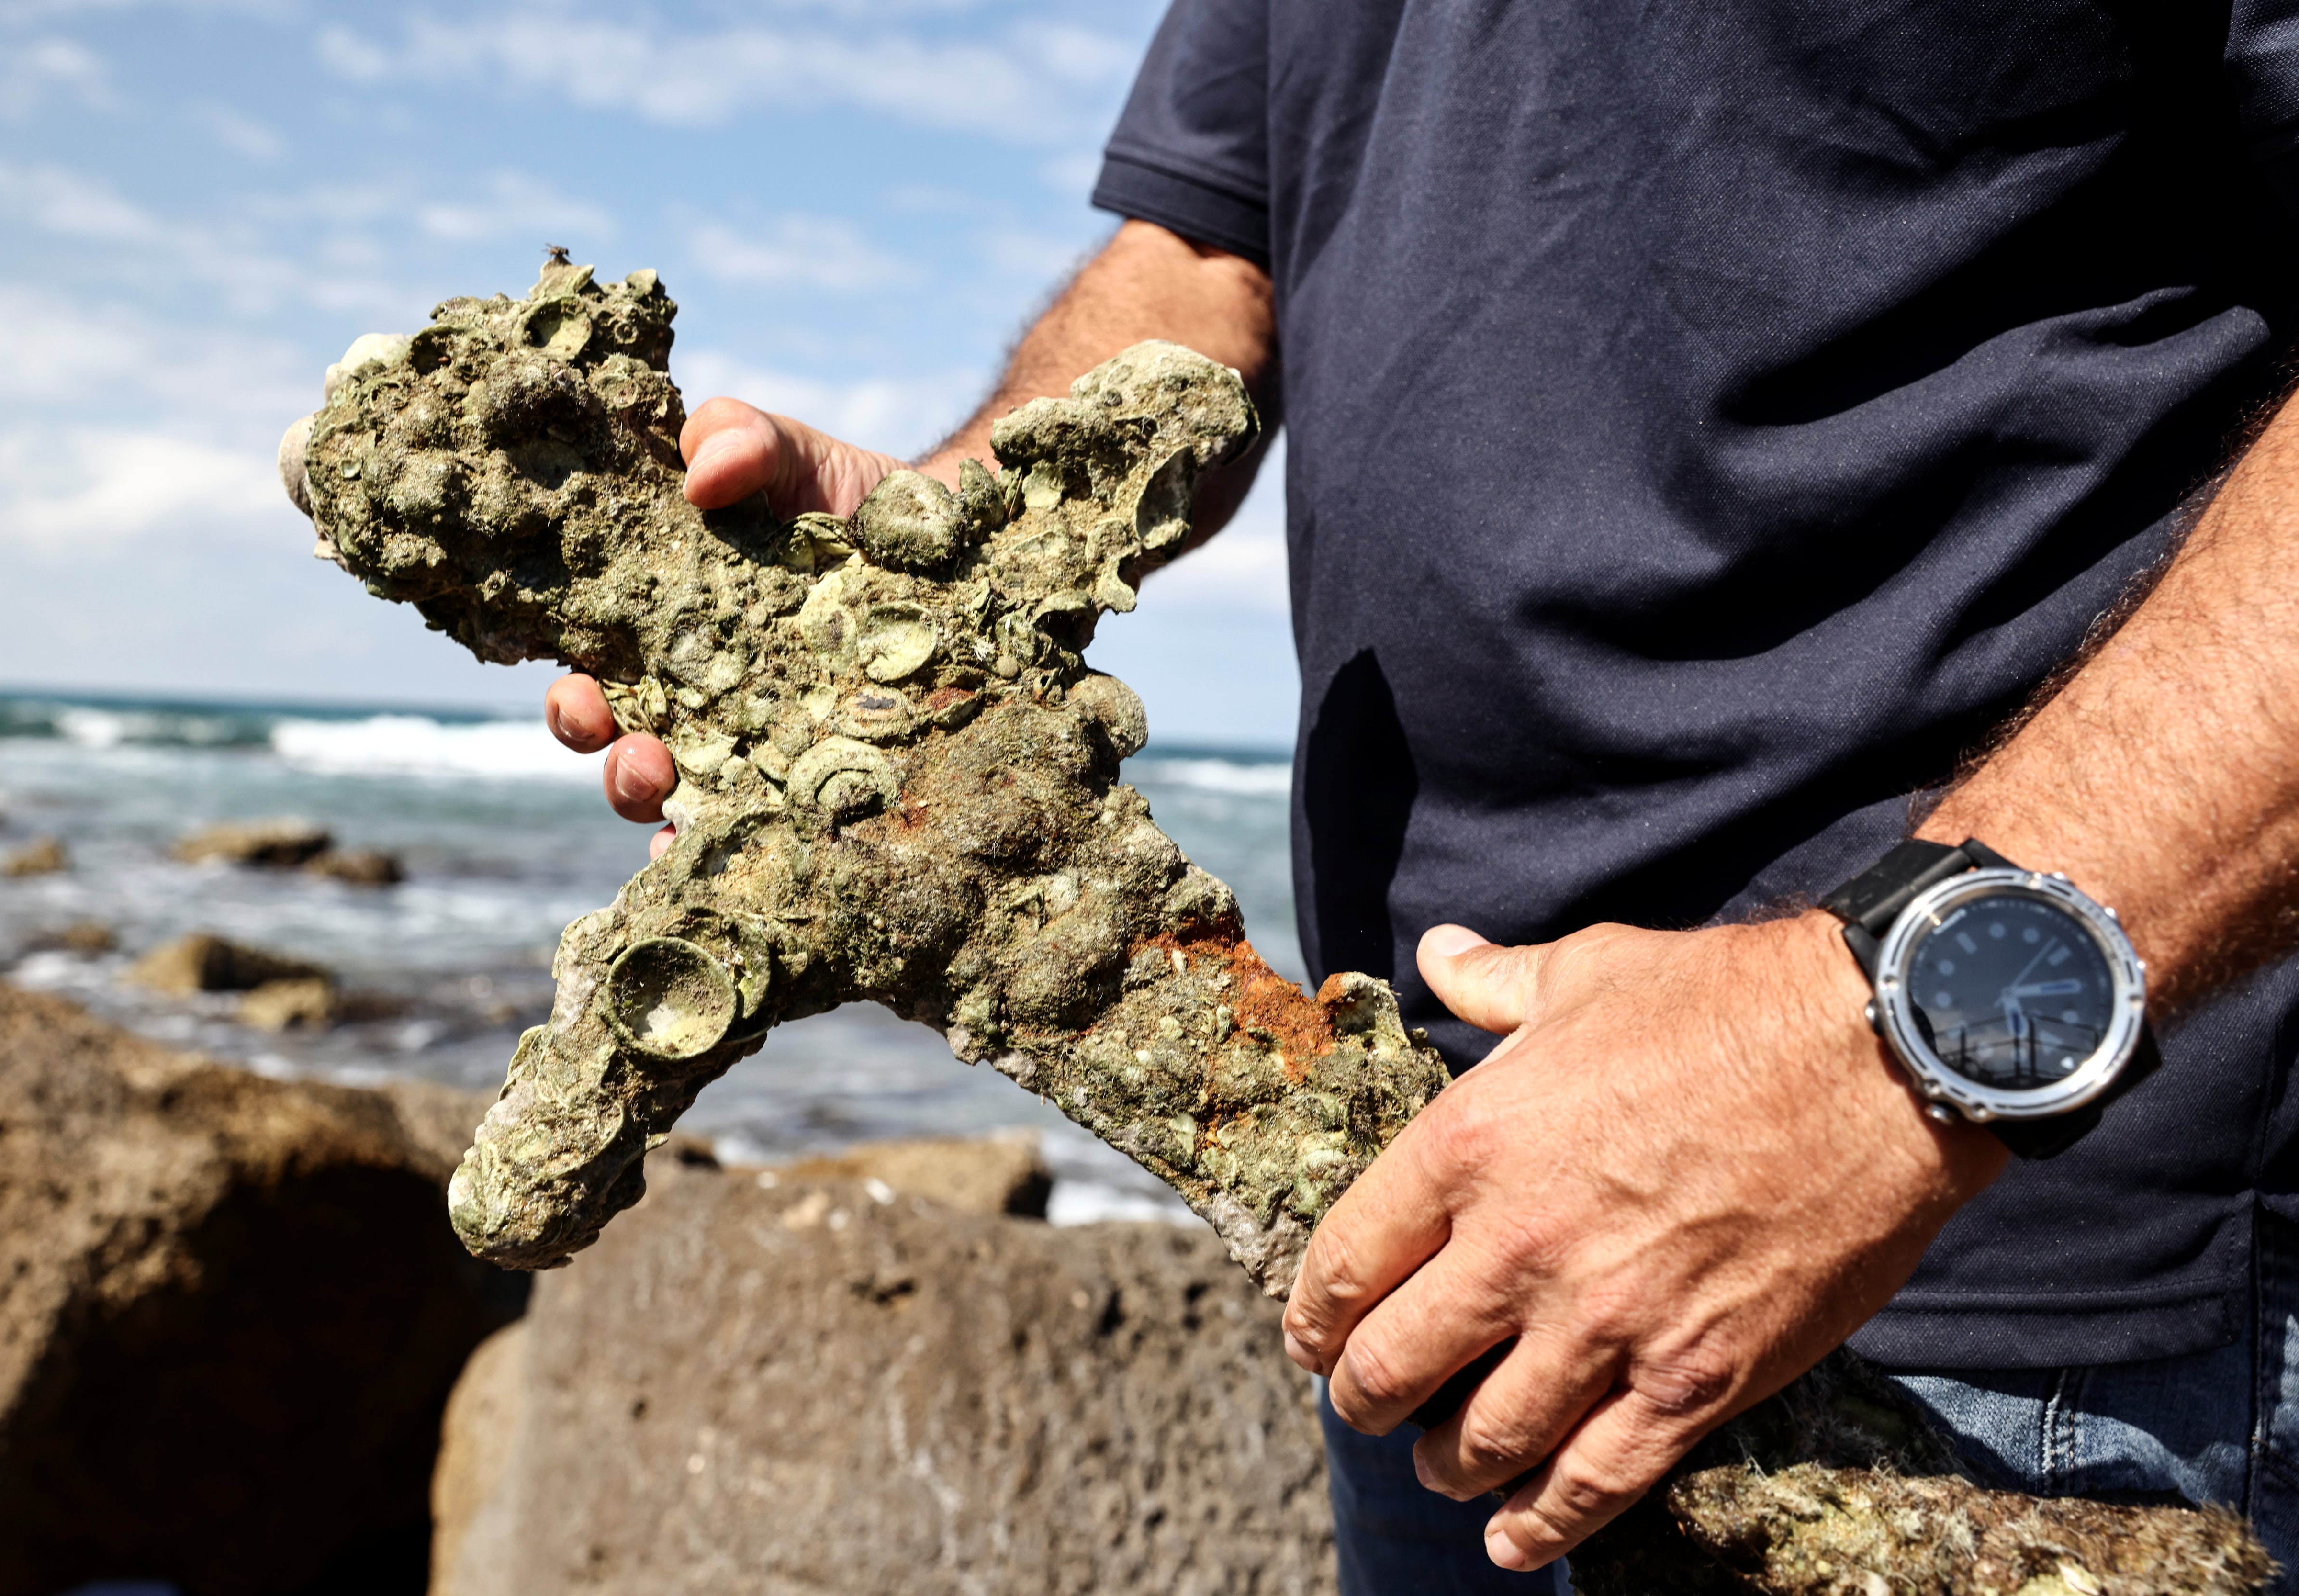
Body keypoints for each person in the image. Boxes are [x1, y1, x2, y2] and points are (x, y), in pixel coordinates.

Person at [547, 2, 2299, 1589]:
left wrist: (1879, 1038)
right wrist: (934, 565)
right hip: (1414, 1201)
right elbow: (1201, 255)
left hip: (1979, 1253)